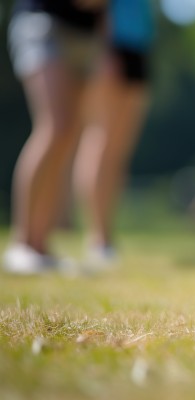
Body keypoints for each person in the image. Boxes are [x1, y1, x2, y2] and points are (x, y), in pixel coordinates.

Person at [3, 0, 154, 274]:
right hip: (44, 23)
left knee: (69, 133)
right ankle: (22, 243)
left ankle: (40, 246)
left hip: (86, 36)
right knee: (56, 127)